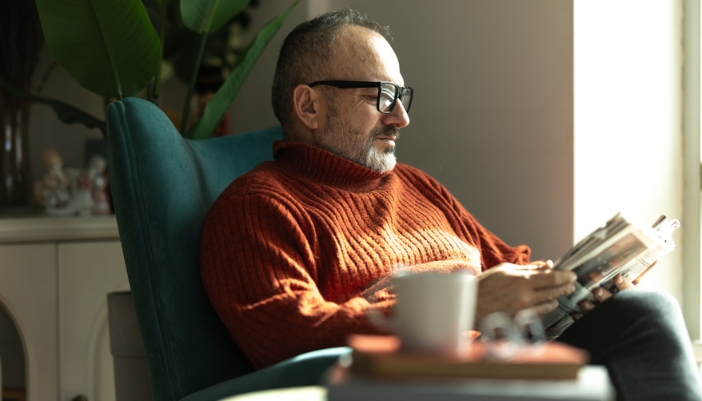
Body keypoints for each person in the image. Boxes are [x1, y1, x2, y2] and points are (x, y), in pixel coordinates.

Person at [200, 7, 702, 400]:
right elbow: (289, 336)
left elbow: (510, 269)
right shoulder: (256, 208)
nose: (401, 118)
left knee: (638, 310)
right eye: (382, 95)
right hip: (413, 383)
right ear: (309, 105)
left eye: (403, 97)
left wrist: (582, 282)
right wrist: (465, 306)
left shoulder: (417, 186)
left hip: (506, 355)